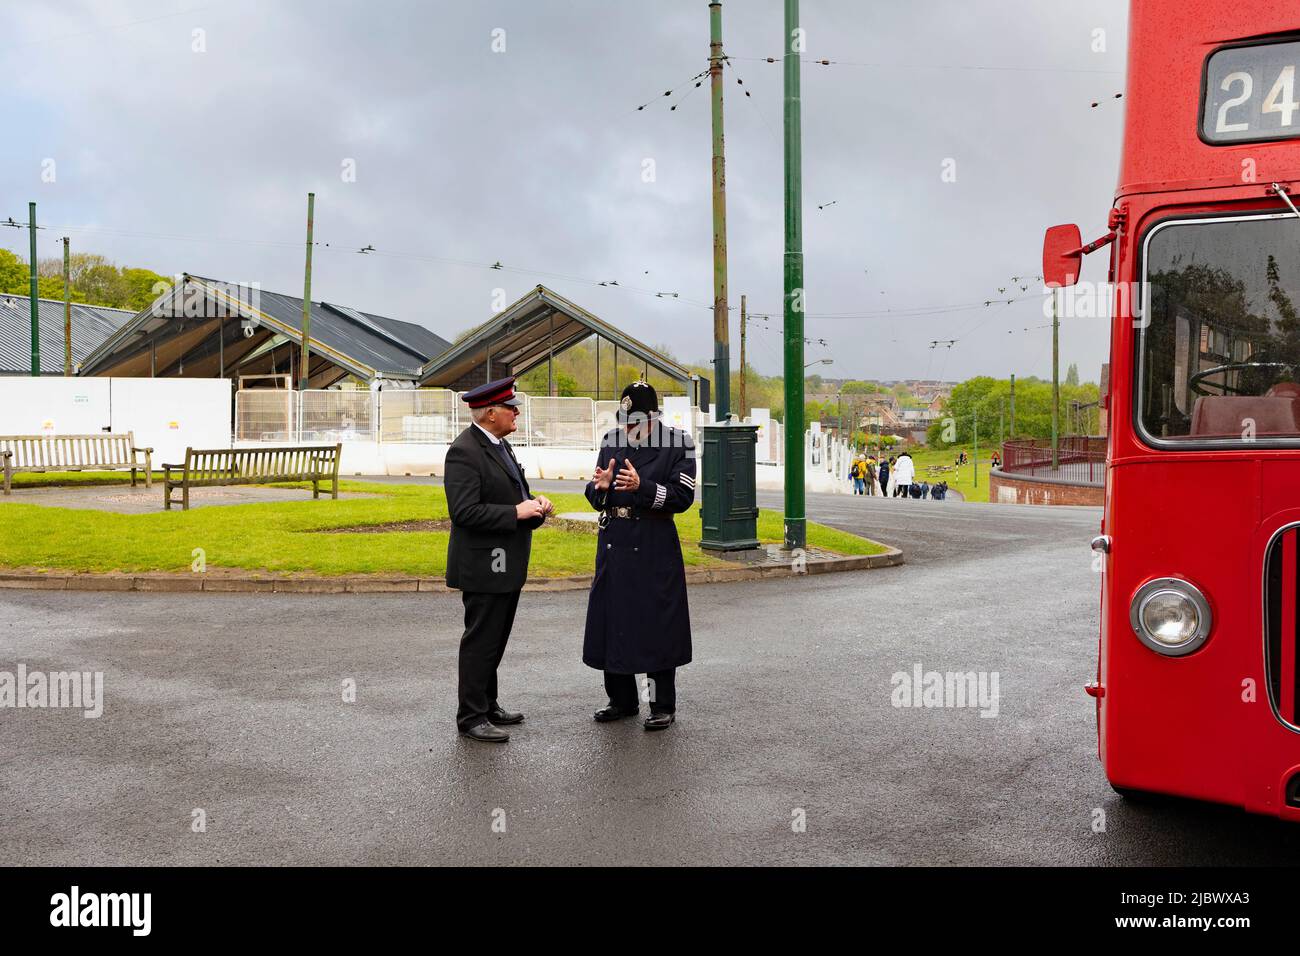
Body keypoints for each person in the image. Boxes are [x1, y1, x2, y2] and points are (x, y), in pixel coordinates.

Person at [444, 376, 554, 743]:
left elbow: (511, 495)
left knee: (496, 638)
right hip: (483, 564)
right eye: (510, 407)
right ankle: (471, 716)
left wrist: (534, 506)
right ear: (490, 413)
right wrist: (516, 513)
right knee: (481, 640)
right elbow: (464, 512)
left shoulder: (499, 445)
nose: (516, 412)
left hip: (505, 561)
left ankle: (487, 704)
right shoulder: (464, 451)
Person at [583, 381, 695, 731]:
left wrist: (642, 487)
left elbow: (683, 497)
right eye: (625, 421)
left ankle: (661, 704)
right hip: (615, 542)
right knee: (614, 621)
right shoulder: (611, 442)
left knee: (657, 624)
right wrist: (598, 490)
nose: (629, 428)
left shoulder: (678, 444)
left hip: (653, 542)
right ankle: (621, 699)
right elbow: (595, 489)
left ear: (653, 418)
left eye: (635, 422)